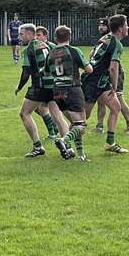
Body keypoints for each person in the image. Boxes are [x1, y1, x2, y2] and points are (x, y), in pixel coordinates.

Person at [15, 24, 69, 157]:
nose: (20, 37)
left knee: (24, 113)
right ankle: (67, 146)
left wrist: (19, 87)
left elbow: (26, 72)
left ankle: (37, 147)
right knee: (58, 117)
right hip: (55, 85)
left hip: (40, 86)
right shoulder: (50, 45)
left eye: (21, 34)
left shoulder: (30, 48)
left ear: (29, 34)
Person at [82, 15, 129, 154]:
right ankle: (64, 140)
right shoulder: (117, 44)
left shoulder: (106, 37)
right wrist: (114, 87)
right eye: (126, 25)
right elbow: (113, 68)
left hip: (100, 82)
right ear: (120, 29)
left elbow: (92, 54)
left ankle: (110, 143)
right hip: (93, 82)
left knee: (115, 108)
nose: (128, 27)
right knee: (83, 118)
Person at [45, 25, 92, 161]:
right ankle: (64, 140)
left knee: (75, 124)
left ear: (55, 38)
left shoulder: (51, 53)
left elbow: (47, 72)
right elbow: (89, 70)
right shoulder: (73, 50)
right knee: (81, 125)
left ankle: (81, 155)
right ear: (69, 37)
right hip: (72, 89)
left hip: (57, 92)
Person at [93, 18, 129, 136]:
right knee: (101, 99)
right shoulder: (104, 39)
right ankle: (99, 125)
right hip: (105, 73)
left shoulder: (112, 41)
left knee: (117, 98)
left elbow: (114, 66)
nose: (101, 28)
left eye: (103, 26)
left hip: (116, 73)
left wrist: (115, 84)